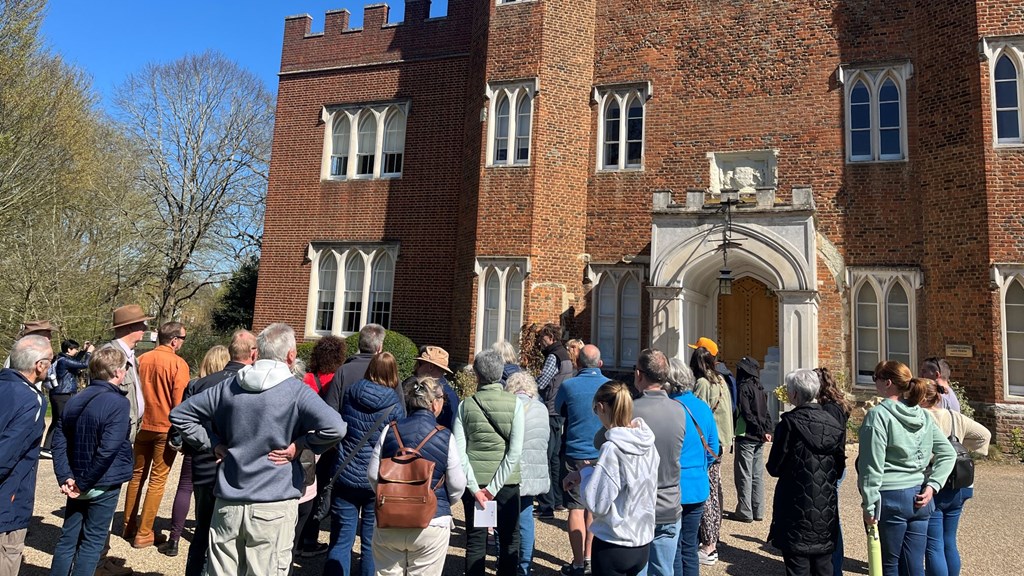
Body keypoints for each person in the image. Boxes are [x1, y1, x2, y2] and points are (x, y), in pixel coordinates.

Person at [170, 323, 347, 576]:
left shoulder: (229, 386)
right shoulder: (295, 391)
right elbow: (336, 428)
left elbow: (180, 415)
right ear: (290, 356)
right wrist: (301, 445)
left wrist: (214, 444)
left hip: (229, 500)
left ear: (258, 352)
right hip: (274, 502)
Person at [857, 361, 956, 576]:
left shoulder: (878, 415)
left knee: (889, 565)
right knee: (913, 567)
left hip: (890, 498)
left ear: (888, 383)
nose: (875, 384)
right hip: (920, 496)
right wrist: (933, 486)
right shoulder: (923, 415)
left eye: (876, 379)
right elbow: (948, 453)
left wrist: (869, 504)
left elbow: (871, 466)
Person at [367, 376, 466, 576]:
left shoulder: (390, 429)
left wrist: (390, 495)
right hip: (432, 520)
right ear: (435, 403)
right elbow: (457, 484)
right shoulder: (445, 435)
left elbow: (372, 474)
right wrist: (443, 501)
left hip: (390, 518)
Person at [49, 347, 135, 576]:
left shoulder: (75, 399)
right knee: (92, 542)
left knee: (68, 538)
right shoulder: (118, 403)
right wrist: (82, 483)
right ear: (118, 371)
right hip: (100, 481)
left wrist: (66, 476)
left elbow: (58, 441)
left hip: (77, 478)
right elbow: (108, 450)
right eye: (125, 368)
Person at [179, 331, 257, 576]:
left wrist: (206, 444)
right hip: (235, 471)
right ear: (253, 353)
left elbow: (182, 423)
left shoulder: (201, 383)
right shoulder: (252, 385)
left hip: (203, 467)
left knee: (203, 532)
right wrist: (214, 444)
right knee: (228, 538)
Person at [563, 381, 659, 576]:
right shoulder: (646, 442)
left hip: (614, 543)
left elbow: (597, 503)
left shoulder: (611, 448)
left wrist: (587, 474)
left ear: (601, 407)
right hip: (642, 541)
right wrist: (588, 471)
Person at [326, 352, 406, 576]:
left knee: (341, 540)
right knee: (371, 543)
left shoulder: (351, 394)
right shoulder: (395, 407)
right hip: (376, 479)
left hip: (346, 472)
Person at [767, 369, 845, 576]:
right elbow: (839, 467)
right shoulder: (834, 424)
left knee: (798, 566)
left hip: (795, 504)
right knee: (823, 566)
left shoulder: (789, 424)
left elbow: (774, 467)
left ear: (793, 395)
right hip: (824, 504)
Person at [455, 349, 525, 576]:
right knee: (509, 541)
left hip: (476, 481)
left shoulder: (465, 405)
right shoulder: (515, 404)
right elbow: (514, 452)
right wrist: (494, 488)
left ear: (477, 374)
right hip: (507, 483)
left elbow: (459, 451)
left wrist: (476, 489)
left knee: (475, 541)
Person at [123, 321, 190, 548]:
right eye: (182, 339)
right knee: (157, 480)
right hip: (165, 427)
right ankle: (144, 532)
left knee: (136, 475)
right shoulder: (178, 364)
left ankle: (128, 525)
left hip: (142, 425)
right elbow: (179, 403)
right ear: (174, 340)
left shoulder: (141, 360)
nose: (182, 343)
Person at [919, 379, 991, 576]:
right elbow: (984, 435)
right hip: (960, 483)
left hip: (934, 482)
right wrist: (960, 445)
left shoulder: (921, 416)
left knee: (933, 545)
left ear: (923, 397)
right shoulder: (954, 416)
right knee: (949, 540)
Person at [162, 345, 229, 557]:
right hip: (223, 446)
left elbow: (182, 416)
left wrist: (179, 441)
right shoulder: (232, 385)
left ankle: (174, 539)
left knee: (184, 488)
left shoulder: (196, 384)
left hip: (196, 444)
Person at [623, 349, 684, 576]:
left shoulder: (630, 409)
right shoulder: (680, 410)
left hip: (638, 503)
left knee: (638, 570)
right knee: (663, 570)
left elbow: (601, 440)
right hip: (669, 502)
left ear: (639, 374)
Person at [554, 344, 609, 576]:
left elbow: (558, 410)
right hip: (602, 453)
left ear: (578, 363)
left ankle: (578, 563)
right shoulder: (609, 386)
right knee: (594, 509)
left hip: (575, 451)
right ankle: (588, 558)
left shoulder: (568, 385)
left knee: (576, 508)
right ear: (600, 363)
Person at [0, 335, 52, 576]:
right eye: (50, 360)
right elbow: (7, 453)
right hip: (8, 497)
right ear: (39, 365)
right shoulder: (32, 400)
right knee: (8, 555)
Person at [667, 358, 719, 576]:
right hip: (697, 485)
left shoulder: (667, 408)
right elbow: (713, 447)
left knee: (674, 548)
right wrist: (699, 468)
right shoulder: (702, 407)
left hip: (671, 486)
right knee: (689, 546)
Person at [504, 371, 550, 576]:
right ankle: (525, 565)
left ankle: (504, 561)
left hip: (509, 470)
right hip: (533, 469)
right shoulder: (541, 408)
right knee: (526, 518)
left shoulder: (508, 406)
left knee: (503, 520)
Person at [691, 344, 733, 566]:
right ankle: (712, 539)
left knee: (707, 493)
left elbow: (694, 415)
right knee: (715, 490)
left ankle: (708, 546)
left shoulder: (702, 384)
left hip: (706, 445)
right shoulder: (721, 381)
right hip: (718, 444)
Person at [534, 324, 573, 518]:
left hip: (550, 410)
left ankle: (546, 504)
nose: (540, 340)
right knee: (556, 458)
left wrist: (527, 384)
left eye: (542, 337)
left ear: (549, 336)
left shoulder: (553, 356)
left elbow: (542, 382)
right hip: (561, 409)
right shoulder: (565, 354)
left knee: (547, 458)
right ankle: (558, 501)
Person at [815, 366, 851, 575]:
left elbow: (832, 443)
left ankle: (834, 568)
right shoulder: (836, 405)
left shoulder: (829, 409)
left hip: (832, 468)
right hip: (835, 466)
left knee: (830, 521)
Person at [730, 356, 772, 523]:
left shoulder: (744, 388)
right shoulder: (760, 388)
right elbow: (766, 413)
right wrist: (767, 430)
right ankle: (758, 509)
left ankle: (745, 511)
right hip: (759, 437)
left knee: (744, 475)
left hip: (747, 435)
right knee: (757, 475)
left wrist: (760, 429)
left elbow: (746, 413)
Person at [105, 304, 154, 445]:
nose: (145, 328)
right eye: (142, 324)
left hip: (127, 431)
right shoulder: (110, 355)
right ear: (130, 327)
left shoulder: (131, 355)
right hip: (116, 432)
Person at [41, 339, 94, 459]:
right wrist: (89, 353)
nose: (76, 350)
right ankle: (48, 447)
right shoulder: (64, 360)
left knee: (58, 420)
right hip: (62, 394)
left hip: (61, 393)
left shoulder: (63, 359)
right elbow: (84, 365)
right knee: (60, 421)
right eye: (75, 349)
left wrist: (83, 351)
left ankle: (49, 447)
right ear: (69, 349)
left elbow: (75, 361)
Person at [325, 323, 385, 414]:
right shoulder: (387, 371)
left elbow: (330, 408)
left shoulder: (343, 371)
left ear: (359, 344)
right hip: (380, 427)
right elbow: (400, 410)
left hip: (346, 426)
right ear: (379, 347)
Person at [399, 346, 460, 428]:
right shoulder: (452, 394)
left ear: (430, 366)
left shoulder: (414, 387)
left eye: (419, 363)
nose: (415, 367)